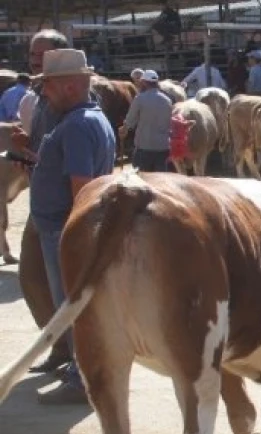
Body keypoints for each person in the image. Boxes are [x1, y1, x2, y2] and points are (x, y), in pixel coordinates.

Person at [26, 48, 116, 404]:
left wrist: (72, 237)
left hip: (64, 231)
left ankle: (84, 380)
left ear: (67, 87)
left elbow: (82, 188)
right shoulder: (87, 119)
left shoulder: (77, 126)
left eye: (47, 85)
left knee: (74, 305)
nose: (43, 92)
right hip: (64, 229)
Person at [10, 28, 72, 375]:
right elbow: (41, 149)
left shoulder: (69, 97)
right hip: (42, 199)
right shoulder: (35, 97)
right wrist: (24, 152)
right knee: (33, 277)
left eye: (41, 55)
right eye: (32, 55)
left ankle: (82, 362)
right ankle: (59, 347)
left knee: (67, 285)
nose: (34, 60)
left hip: (65, 203)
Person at [120, 69, 173, 172]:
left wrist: (124, 129)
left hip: (144, 147)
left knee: (142, 179)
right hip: (163, 147)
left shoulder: (140, 98)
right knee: (160, 180)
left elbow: (130, 120)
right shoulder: (167, 100)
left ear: (144, 82)